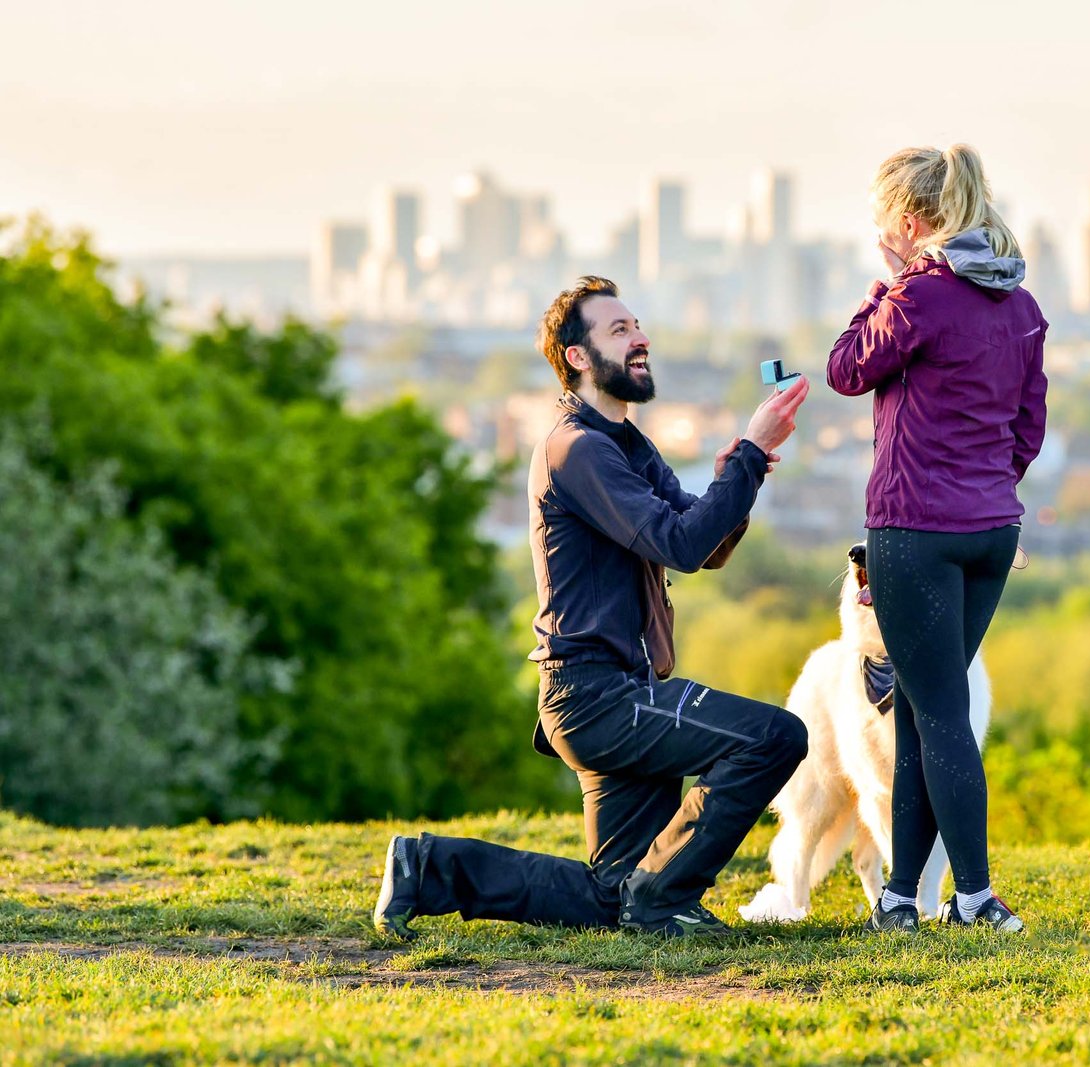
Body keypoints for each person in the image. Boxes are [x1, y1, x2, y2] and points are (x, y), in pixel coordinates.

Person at [374, 276, 812, 940]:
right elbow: (680, 544)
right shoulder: (575, 449)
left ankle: (427, 867)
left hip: (618, 693)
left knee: (613, 898)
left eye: (637, 326)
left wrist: (736, 474)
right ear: (578, 356)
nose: (640, 338)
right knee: (775, 737)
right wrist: (748, 454)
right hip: (596, 698)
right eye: (619, 330)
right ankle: (663, 899)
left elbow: (704, 545)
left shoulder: (626, 445)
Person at [826, 145, 1048, 934]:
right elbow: (1029, 429)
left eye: (883, 223)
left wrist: (878, 294)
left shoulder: (917, 295)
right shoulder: (1020, 305)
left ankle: (977, 898)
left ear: (911, 222)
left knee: (940, 712)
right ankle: (900, 897)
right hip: (989, 530)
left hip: (914, 529)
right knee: (924, 707)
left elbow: (846, 369)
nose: (880, 236)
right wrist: (984, 486)